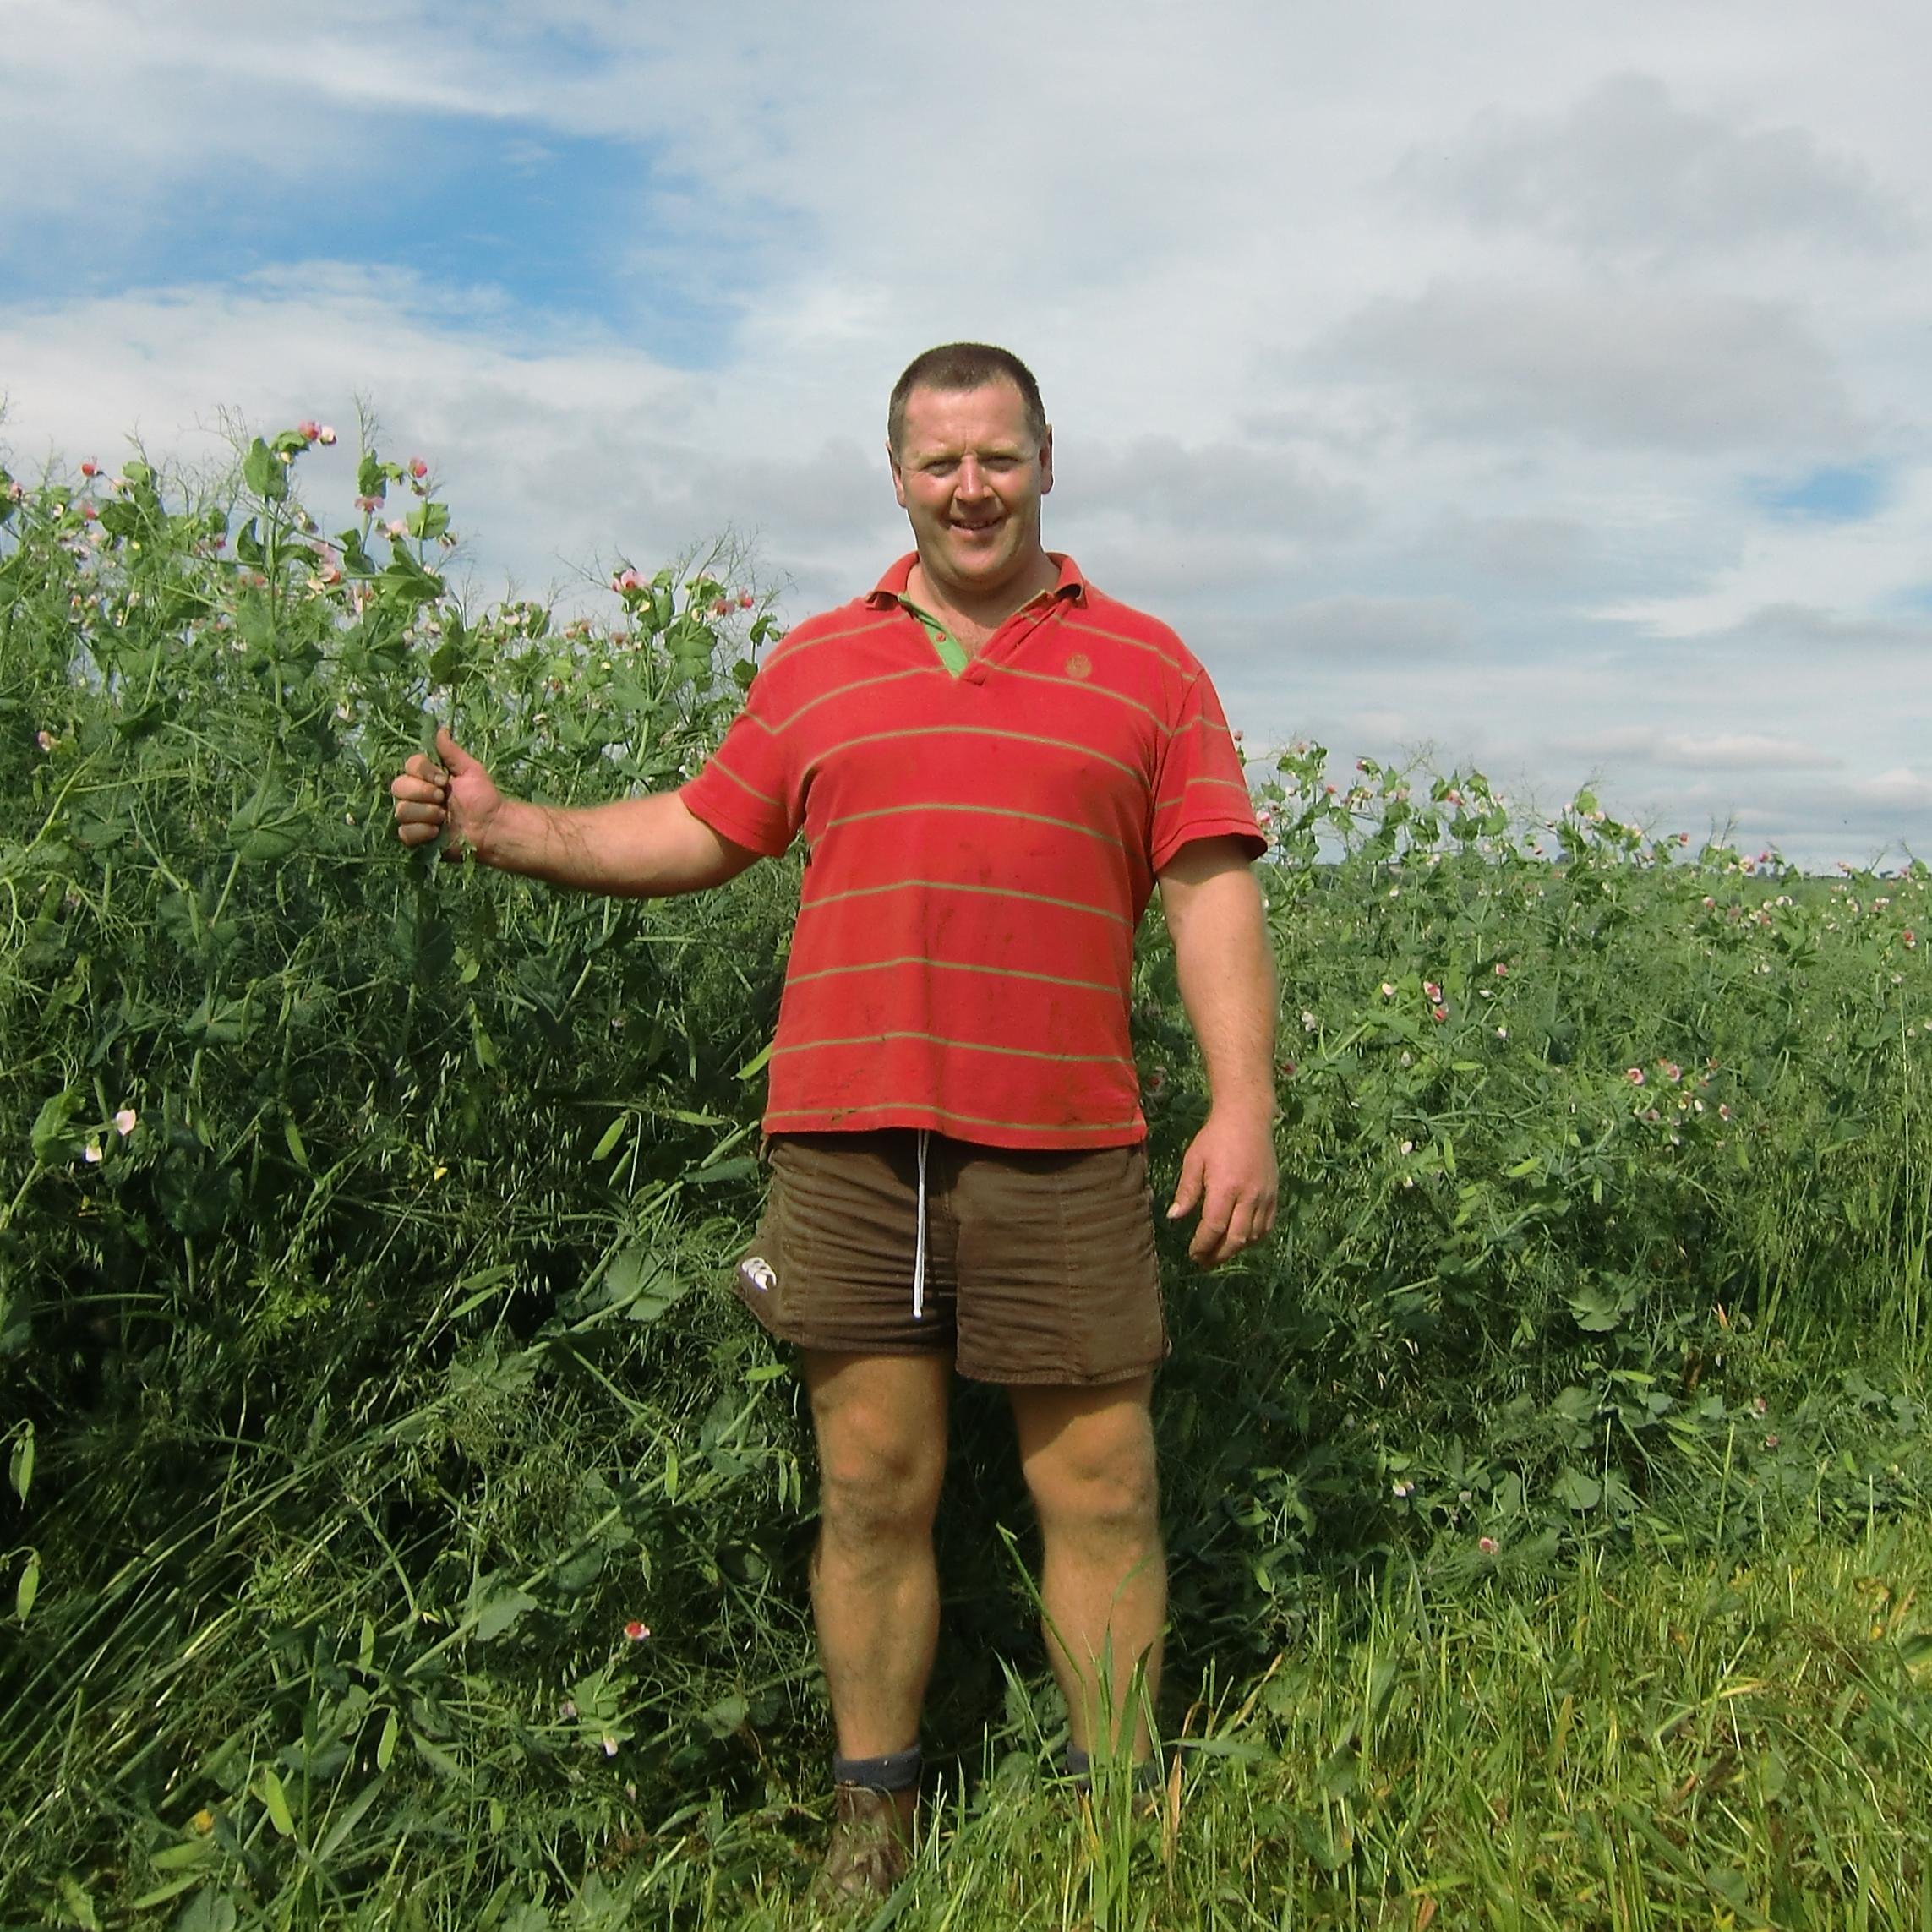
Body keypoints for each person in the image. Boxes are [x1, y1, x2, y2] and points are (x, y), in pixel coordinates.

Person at [390, 342, 1278, 1901]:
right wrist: (506, 828)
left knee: (1105, 1490)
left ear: (1047, 461)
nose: (969, 487)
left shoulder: (1150, 666)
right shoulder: (815, 663)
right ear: (897, 476)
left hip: (1065, 1139)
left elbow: (1211, 894)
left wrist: (1243, 1105)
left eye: (996, 456)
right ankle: (873, 1817)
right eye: (939, 461)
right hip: (850, 1141)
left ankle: (1123, 1832)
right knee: (872, 1490)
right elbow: (697, 827)